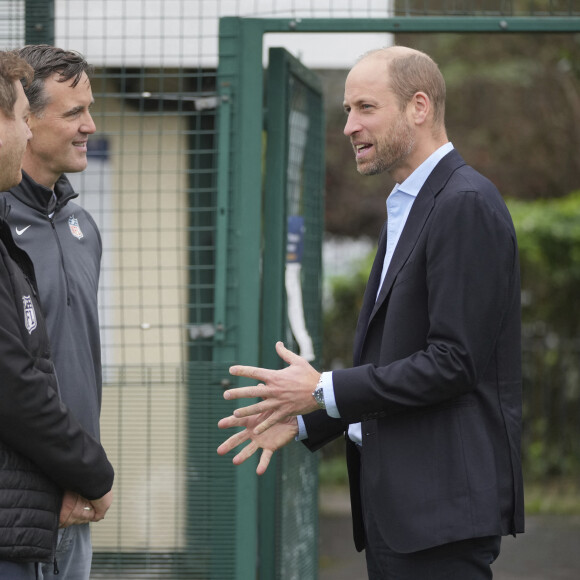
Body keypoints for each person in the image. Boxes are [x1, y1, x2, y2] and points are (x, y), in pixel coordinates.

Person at [217, 46, 524, 579]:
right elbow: (401, 359)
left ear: (419, 107)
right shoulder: (413, 202)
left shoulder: (464, 203)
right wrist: (312, 417)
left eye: (365, 108)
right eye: (346, 111)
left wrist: (322, 391)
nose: (349, 126)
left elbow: (453, 363)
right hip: (405, 512)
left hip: (441, 513)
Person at [0, 50, 114, 580]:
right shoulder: (1, 224)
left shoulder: (82, 225)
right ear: (26, 119)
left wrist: (85, 469)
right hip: (21, 498)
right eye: (73, 113)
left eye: (88, 109)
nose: (89, 126)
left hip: (80, 487)